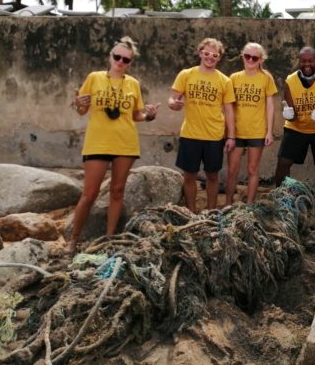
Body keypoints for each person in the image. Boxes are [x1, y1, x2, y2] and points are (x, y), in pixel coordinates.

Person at [69, 36, 160, 253]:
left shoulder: (133, 84)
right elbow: (82, 109)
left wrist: (149, 115)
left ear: (131, 63)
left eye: (126, 60)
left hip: (125, 142)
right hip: (98, 142)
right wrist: (78, 104)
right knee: (89, 194)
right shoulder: (94, 78)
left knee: (117, 191)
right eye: (117, 57)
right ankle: (73, 240)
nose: (120, 62)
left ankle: (109, 240)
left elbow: (136, 114)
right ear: (110, 57)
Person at [168, 38, 236, 212]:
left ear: (219, 58)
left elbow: (229, 110)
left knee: (212, 176)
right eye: (206, 53)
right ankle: (191, 212)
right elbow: (173, 99)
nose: (210, 57)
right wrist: (173, 104)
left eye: (215, 55)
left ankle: (211, 212)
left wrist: (231, 137)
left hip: (214, 135)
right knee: (189, 176)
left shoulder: (224, 81)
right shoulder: (186, 74)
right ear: (200, 53)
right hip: (190, 134)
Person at [274, 46, 315, 186]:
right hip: (296, 127)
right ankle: (280, 195)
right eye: (303, 61)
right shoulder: (290, 80)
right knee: (283, 162)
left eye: (310, 61)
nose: (307, 64)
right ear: (299, 61)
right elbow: (291, 114)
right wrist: (289, 115)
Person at [226, 43, 278, 205]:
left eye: (254, 58)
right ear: (242, 56)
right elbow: (228, 106)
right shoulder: (234, 78)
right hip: (236, 132)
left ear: (261, 59)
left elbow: (270, 107)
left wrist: (269, 131)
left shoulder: (266, 78)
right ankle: (227, 203)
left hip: (256, 131)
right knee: (232, 170)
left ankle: (249, 204)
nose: (250, 60)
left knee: (252, 170)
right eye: (247, 56)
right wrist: (229, 132)